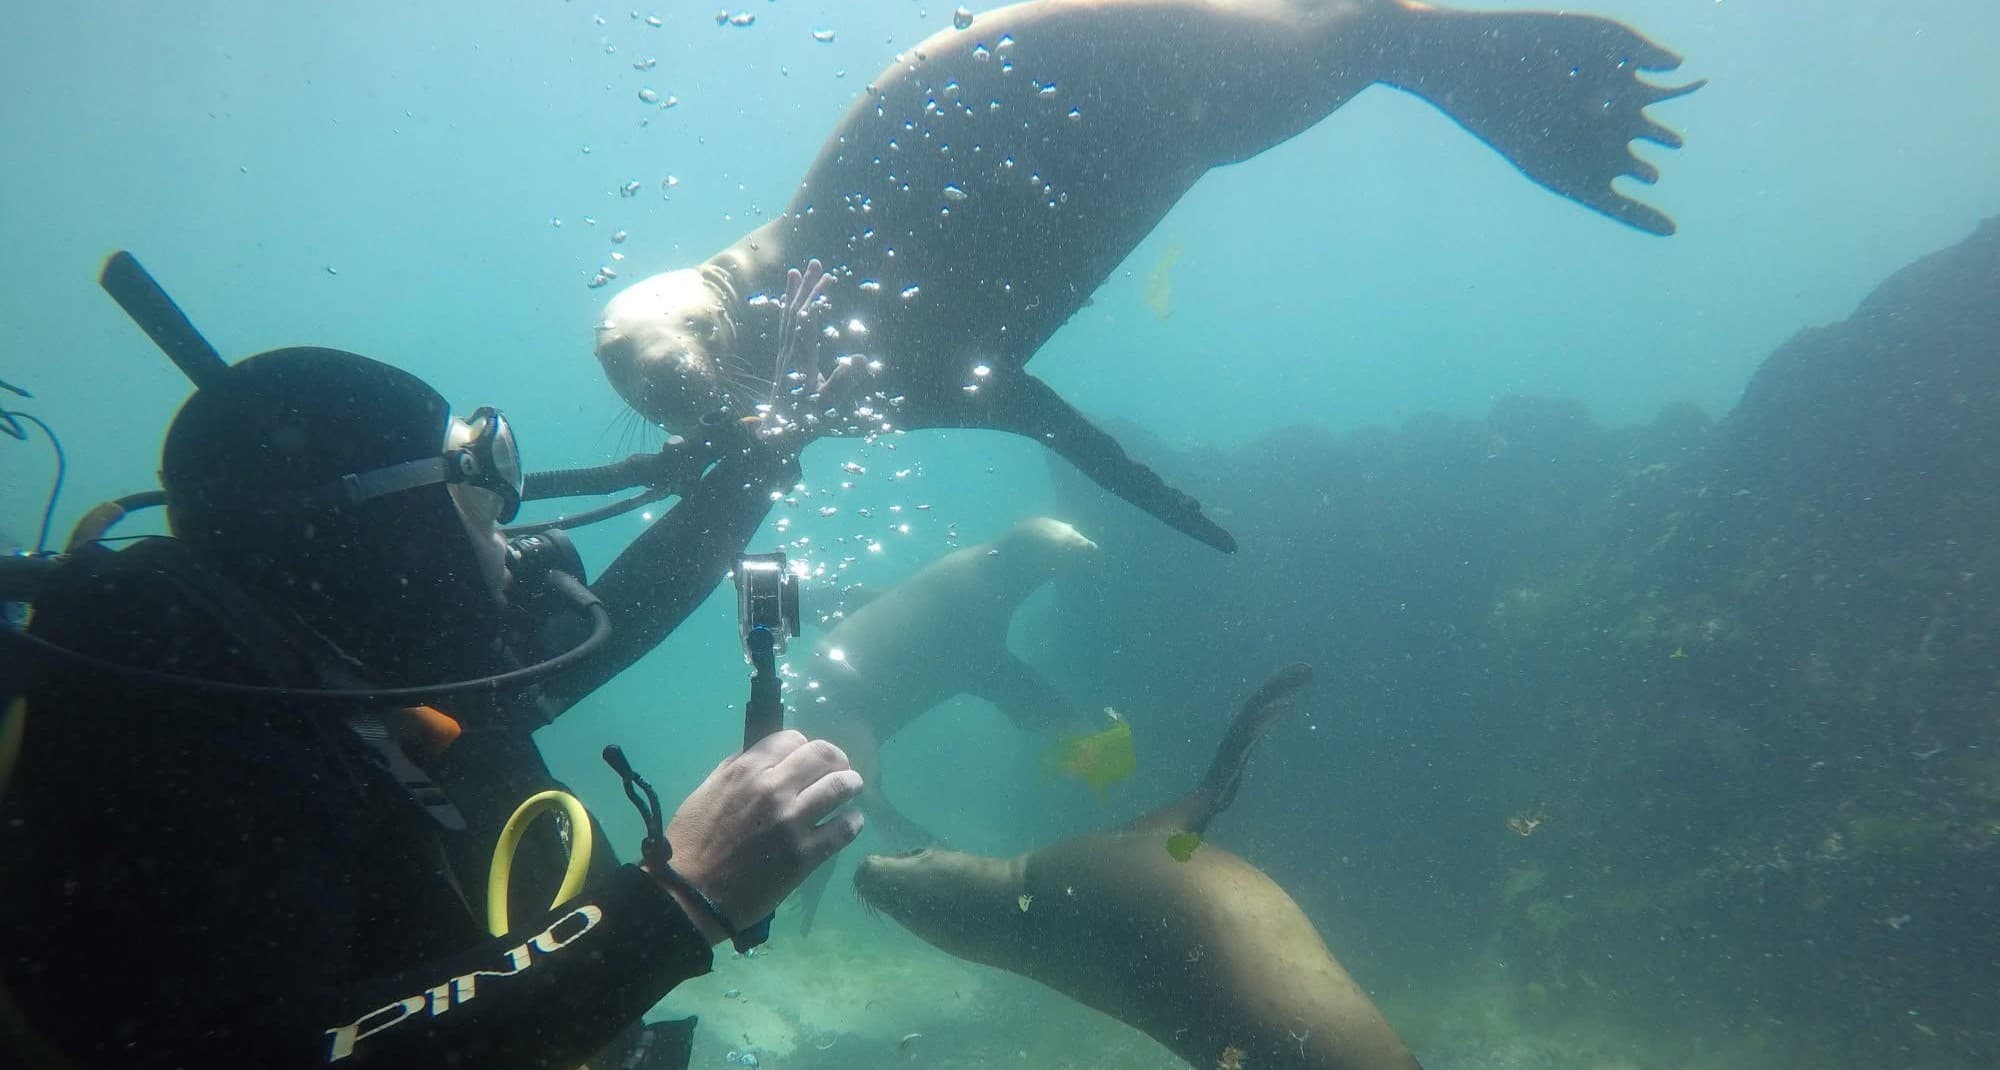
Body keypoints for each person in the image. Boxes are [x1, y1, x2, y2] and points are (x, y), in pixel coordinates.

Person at [0, 346, 865, 1069]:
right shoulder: (173, 711)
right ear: (388, 528)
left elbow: (617, 621)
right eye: (479, 505)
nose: (515, 546)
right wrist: (678, 902)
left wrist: (758, 463)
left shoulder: (317, 665)